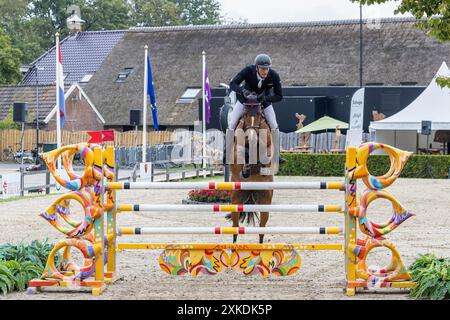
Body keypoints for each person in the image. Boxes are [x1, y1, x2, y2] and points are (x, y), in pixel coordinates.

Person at [228, 54, 283, 130]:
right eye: (263, 69)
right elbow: (232, 84)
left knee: (273, 124)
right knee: (232, 123)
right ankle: (228, 142)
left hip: (263, 101)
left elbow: (279, 96)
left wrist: (265, 98)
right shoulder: (248, 70)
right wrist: (242, 91)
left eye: (267, 68)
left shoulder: (274, 76)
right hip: (246, 100)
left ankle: (276, 142)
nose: (265, 72)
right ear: (257, 67)